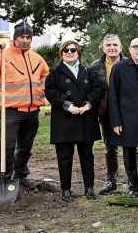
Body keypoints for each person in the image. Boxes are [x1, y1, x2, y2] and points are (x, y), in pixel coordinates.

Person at [0, 22, 50, 190]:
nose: (25, 40)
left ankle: (20, 176)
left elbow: (45, 75)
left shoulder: (37, 57)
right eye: (22, 37)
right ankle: (1, 178)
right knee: (7, 147)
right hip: (11, 111)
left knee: (26, 147)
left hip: (32, 111)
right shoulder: (3, 55)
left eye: (28, 37)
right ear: (15, 38)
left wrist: (43, 90)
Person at [45, 41, 102, 202]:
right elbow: (50, 92)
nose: (69, 53)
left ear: (78, 52)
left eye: (73, 50)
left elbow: (97, 89)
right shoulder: (55, 72)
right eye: (66, 50)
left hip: (85, 119)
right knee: (64, 157)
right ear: (61, 53)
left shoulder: (87, 71)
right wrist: (68, 105)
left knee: (87, 155)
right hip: (64, 121)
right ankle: (66, 189)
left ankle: (89, 188)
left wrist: (88, 104)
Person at [108, 38, 138, 198]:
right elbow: (113, 96)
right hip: (127, 118)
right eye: (136, 47)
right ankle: (134, 186)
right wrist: (116, 121)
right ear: (129, 50)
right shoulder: (119, 68)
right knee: (129, 154)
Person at [89, 34, 126, 195]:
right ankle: (112, 181)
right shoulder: (95, 67)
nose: (112, 48)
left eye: (115, 45)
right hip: (106, 112)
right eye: (108, 45)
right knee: (110, 148)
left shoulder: (129, 64)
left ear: (121, 48)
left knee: (131, 146)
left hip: (126, 111)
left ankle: (134, 180)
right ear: (103, 48)